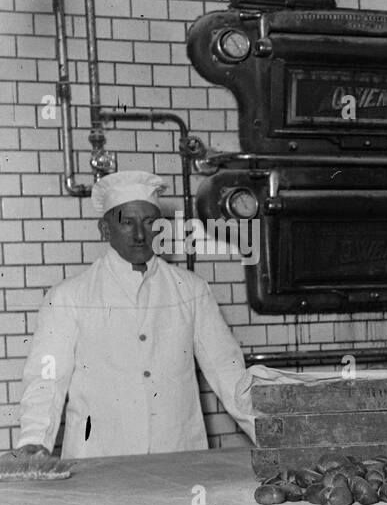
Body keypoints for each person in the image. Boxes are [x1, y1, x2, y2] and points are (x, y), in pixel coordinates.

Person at [12, 170, 255, 460]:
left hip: (179, 457)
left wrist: (275, 435)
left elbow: (228, 373)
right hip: (98, 460)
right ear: (104, 229)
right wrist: (34, 441)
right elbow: (46, 379)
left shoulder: (191, 290)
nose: (140, 234)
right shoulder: (69, 297)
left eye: (149, 221)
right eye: (127, 222)